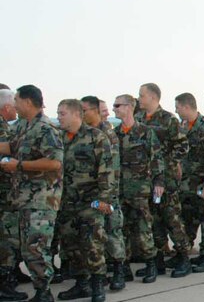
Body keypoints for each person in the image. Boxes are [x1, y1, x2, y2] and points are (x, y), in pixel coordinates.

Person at [0, 85, 63, 301]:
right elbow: (11, 146)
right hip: (24, 199)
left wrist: (19, 165)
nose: (14, 104)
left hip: (41, 200)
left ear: (27, 101)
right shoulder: (22, 127)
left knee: (36, 249)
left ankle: (44, 293)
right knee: (28, 250)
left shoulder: (46, 129)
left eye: (16, 99)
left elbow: (54, 162)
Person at [54, 99, 113, 302]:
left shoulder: (96, 137)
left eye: (62, 113)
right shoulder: (59, 138)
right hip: (66, 201)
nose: (59, 117)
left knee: (92, 243)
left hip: (91, 202)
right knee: (71, 245)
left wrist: (104, 199)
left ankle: (98, 285)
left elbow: (106, 170)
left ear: (75, 114)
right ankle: (81, 284)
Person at [135, 83, 192, 278]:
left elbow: (183, 145)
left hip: (166, 181)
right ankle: (158, 259)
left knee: (173, 220)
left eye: (142, 95)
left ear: (153, 97)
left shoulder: (169, 119)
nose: (139, 98)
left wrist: (170, 163)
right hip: (146, 180)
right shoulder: (138, 119)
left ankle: (184, 257)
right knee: (153, 222)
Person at [113, 94, 163, 283]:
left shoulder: (145, 132)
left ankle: (151, 264)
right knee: (120, 229)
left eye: (118, 105)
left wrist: (159, 182)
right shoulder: (114, 134)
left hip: (139, 190)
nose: (114, 109)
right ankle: (123, 267)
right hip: (118, 190)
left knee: (143, 228)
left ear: (129, 107)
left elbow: (156, 158)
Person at [174, 92, 204, 273]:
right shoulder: (183, 126)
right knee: (189, 218)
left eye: (178, 107)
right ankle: (183, 254)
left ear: (186, 107)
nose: (176, 111)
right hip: (189, 184)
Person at [81, 96, 127, 290]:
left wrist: (107, 197)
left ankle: (119, 271)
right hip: (89, 193)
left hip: (107, 192)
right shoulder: (84, 133)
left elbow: (112, 169)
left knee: (112, 231)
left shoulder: (107, 134)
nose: (107, 112)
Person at [0, 87, 27, 301]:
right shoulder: (1, 129)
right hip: (5, 194)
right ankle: (4, 284)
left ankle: (12, 273)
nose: (16, 110)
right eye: (14, 106)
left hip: (8, 193)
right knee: (7, 239)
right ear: (7, 107)